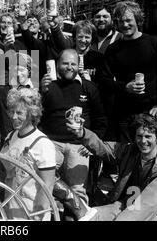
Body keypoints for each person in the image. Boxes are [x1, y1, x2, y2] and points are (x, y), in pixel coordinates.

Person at [66, 113, 157, 221]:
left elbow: (149, 203)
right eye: (139, 136)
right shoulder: (130, 150)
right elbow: (104, 148)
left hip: (156, 214)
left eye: (148, 136)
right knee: (90, 216)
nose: (143, 141)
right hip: (126, 204)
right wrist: (82, 133)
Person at [98, 1, 157, 143]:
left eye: (128, 20)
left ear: (137, 20)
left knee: (149, 154)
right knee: (126, 154)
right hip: (124, 113)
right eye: (121, 21)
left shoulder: (153, 43)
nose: (125, 25)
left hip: (150, 111)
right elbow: (103, 80)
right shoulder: (113, 49)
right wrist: (124, 87)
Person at [39, 49, 107, 205]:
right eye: (65, 63)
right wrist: (41, 92)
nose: (69, 67)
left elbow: (101, 120)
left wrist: (92, 145)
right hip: (51, 144)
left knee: (78, 191)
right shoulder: (48, 85)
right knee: (42, 183)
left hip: (79, 146)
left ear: (78, 66)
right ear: (57, 65)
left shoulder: (88, 87)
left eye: (73, 64)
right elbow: (36, 115)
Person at [0, 87, 56, 220]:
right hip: (11, 207)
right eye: (12, 111)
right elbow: (8, 170)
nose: (14, 117)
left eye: (19, 113)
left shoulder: (43, 144)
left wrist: (38, 215)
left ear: (32, 113)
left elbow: (47, 186)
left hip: (31, 213)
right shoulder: (11, 136)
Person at [71, 20, 104, 85]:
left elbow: (102, 84)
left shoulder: (99, 58)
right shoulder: (67, 56)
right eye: (80, 37)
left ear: (92, 38)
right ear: (75, 37)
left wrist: (90, 82)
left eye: (87, 37)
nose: (83, 40)